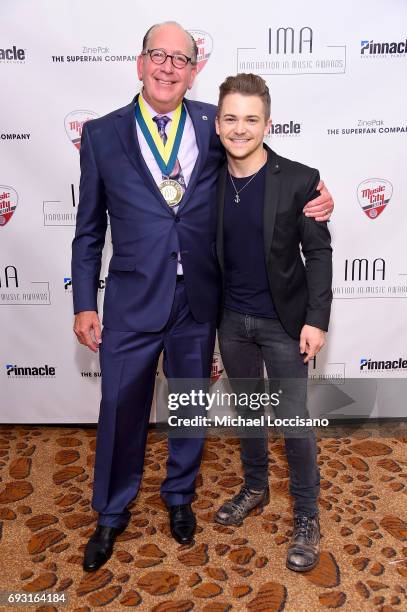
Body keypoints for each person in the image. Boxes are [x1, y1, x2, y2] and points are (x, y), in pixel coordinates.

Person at [71, 22, 334, 573]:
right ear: (140, 63)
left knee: (189, 406)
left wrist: (315, 191)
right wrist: (84, 302)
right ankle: (111, 514)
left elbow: (257, 151)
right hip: (132, 300)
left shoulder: (210, 125)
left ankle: (179, 497)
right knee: (121, 408)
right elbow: (89, 228)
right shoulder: (101, 135)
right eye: (157, 56)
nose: (168, 67)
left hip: (198, 302)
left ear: (194, 71)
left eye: (180, 59)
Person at [213, 73, 333, 572]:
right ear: (217, 122)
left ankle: (307, 515)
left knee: (294, 422)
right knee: (247, 411)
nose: (240, 129)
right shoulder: (204, 176)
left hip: (285, 324)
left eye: (251, 119)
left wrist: (317, 320)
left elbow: (319, 253)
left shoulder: (300, 179)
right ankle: (256, 487)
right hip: (230, 320)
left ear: (267, 123)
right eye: (230, 118)